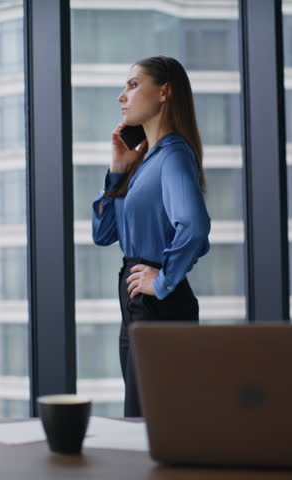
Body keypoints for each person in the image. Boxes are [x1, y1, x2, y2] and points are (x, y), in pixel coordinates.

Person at [91, 56, 211, 417]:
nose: (121, 97)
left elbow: (194, 227)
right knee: (142, 417)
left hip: (159, 304)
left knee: (157, 418)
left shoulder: (174, 155)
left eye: (132, 85)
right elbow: (103, 233)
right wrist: (117, 171)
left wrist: (162, 281)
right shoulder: (146, 160)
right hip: (136, 302)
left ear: (164, 92)